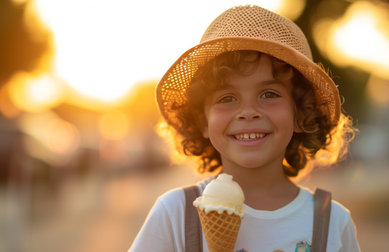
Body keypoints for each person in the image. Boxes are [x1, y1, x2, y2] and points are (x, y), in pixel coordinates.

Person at [129, 5, 359, 252]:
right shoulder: (176, 213)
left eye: (269, 94)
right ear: (202, 121)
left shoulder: (332, 221)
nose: (248, 111)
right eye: (227, 98)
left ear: (301, 113)